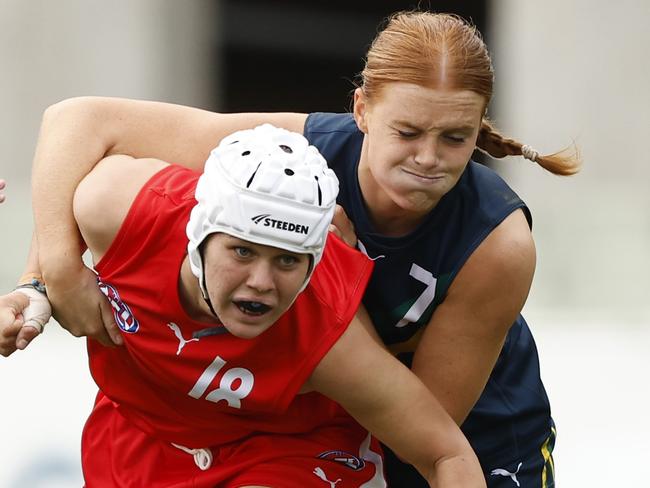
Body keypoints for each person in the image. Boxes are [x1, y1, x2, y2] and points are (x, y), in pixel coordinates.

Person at [18, 10, 580, 488]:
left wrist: (337, 273)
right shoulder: (286, 161)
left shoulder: (497, 244)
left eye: (454, 138)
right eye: (406, 132)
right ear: (361, 111)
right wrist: (52, 277)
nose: (428, 158)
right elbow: (76, 123)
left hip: (472, 435)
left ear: (478, 129)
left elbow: (418, 432)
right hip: (327, 402)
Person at [1, 124, 486, 487]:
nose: (261, 284)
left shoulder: (327, 338)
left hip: (285, 453)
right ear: (198, 236)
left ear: (314, 263)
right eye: (243, 251)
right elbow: (67, 144)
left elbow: (448, 456)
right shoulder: (120, 207)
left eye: (287, 261)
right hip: (137, 437)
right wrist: (41, 284)